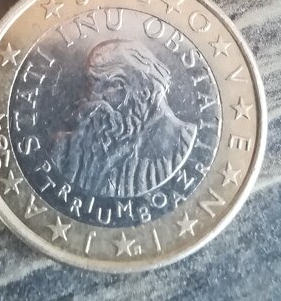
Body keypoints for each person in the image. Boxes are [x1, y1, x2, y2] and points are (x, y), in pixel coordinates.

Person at [54, 40, 196, 198]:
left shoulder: (182, 145)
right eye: (91, 85)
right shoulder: (66, 149)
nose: (94, 98)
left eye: (114, 84)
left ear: (146, 90)